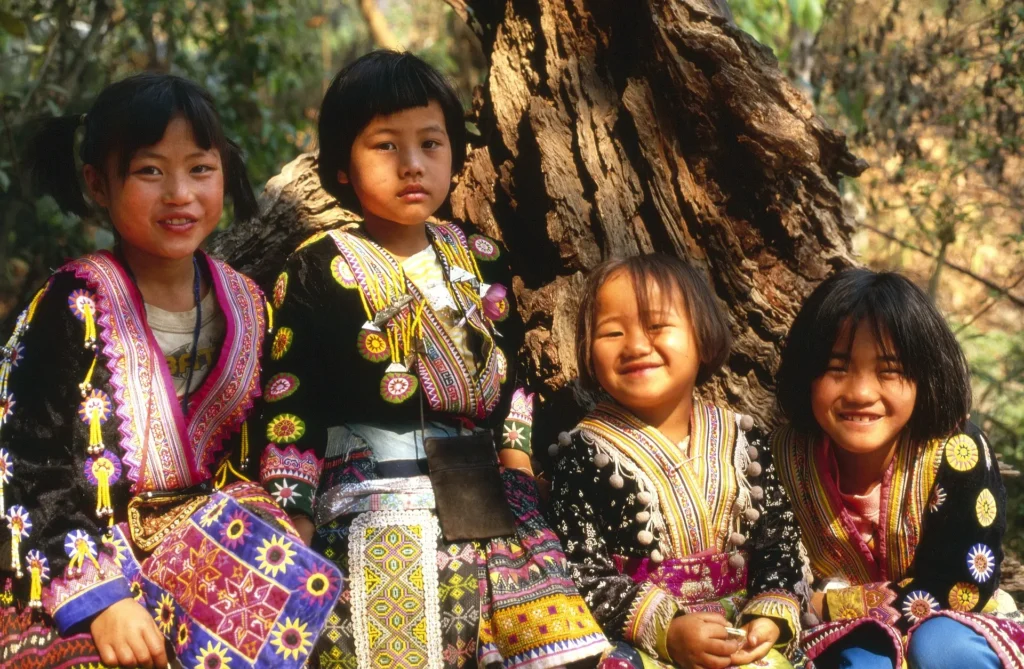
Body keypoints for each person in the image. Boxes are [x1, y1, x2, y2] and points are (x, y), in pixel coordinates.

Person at [256, 50, 608, 668]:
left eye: (430, 143)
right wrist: (294, 521)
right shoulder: (315, 267)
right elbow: (291, 402)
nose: (412, 164)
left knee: (560, 653)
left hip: (493, 497)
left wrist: (518, 468)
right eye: (385, 146)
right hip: (374, 502)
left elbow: (513, 380)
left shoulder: (481, 257)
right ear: (341, 166)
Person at [0, 73, 341, 669]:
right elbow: (26, 463)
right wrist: (102, 601)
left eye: (200, 169)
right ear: (97, 184)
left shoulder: (249, 304)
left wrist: (291, 521)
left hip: (222, 548)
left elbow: (288, 418)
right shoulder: (70, 306)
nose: (180, 193)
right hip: (93, 555)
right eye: (150, 171)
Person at [547, 254, 807, 669]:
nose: (635, 346)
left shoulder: (744, 439)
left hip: (741, 635)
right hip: (642, 644)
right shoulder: (582, 454)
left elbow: (779, 541)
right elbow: (580, 571)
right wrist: (667, 630)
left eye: (657, 326)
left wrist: (768, 617)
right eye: (612, 332)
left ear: (703, 337)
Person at [771, 268, 1024, 668]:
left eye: (889, 370)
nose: (860, 393)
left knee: (942, 650)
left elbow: (962, 588)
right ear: (807, 375)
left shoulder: (958, 451)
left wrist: (828, 603)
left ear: (925, 377)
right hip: (841, 637)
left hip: (956, 626)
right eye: (837, 367)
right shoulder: (783, 456)